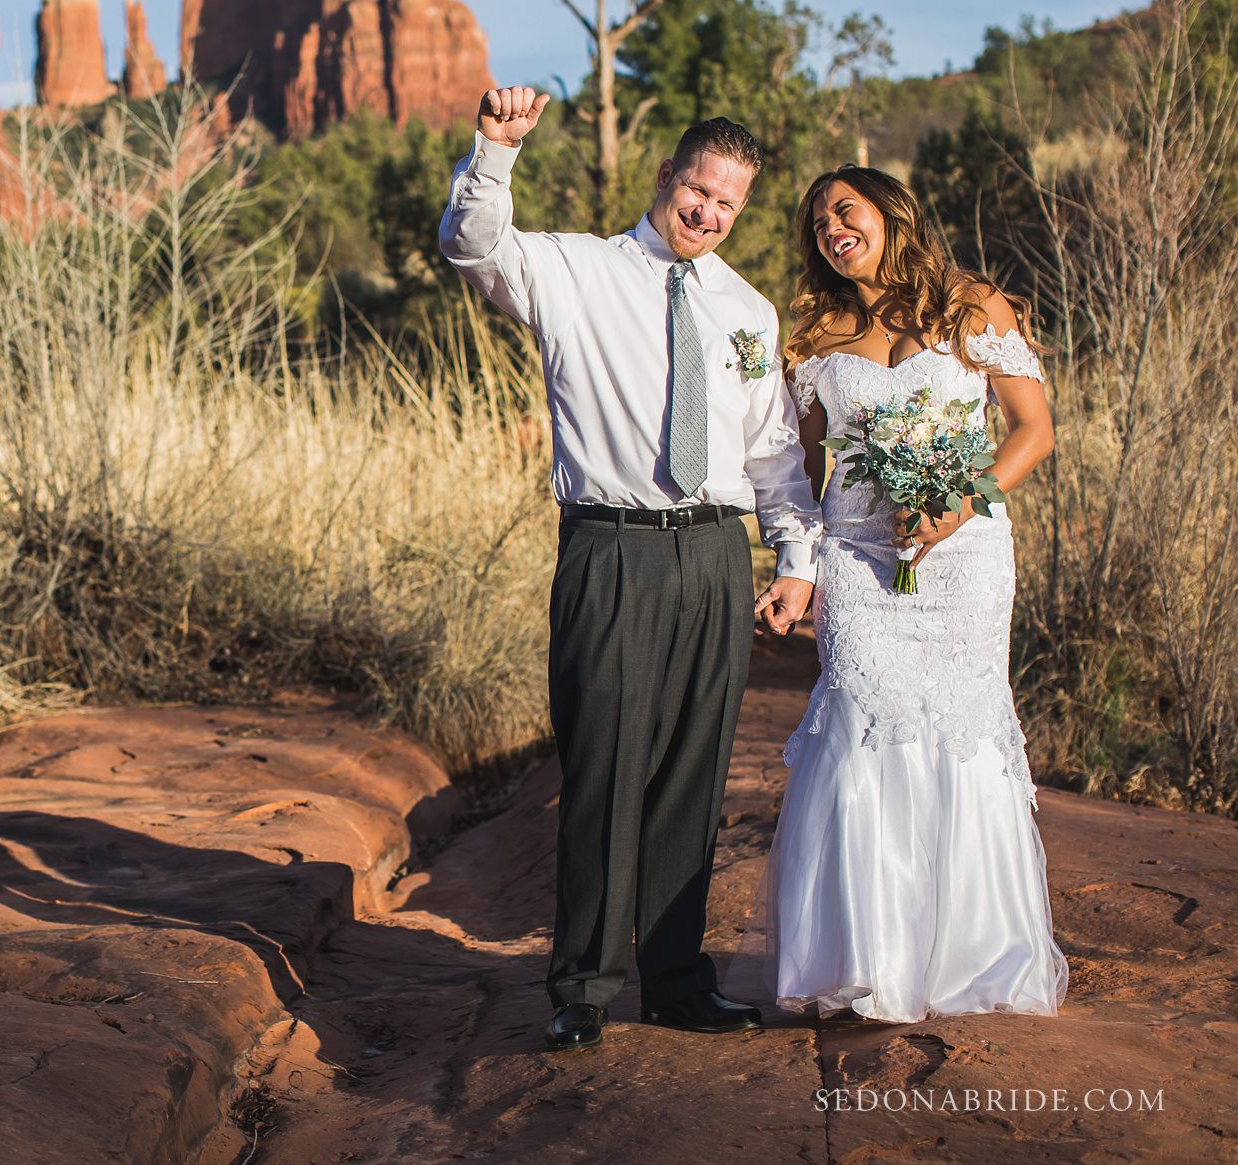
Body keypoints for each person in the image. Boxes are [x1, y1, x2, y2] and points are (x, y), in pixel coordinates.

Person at [439, 88, 823, 1051]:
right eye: (699, 191)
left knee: (694, 770)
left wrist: (795, 556)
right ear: (668, 177)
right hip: (610, 548)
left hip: (714, 554)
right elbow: (474, 245)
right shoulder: (574, 269)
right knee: (605, 764)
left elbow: (773, 452)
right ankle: (583, 987)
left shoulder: (747, 308)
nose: (708, 214)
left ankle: (680, 980)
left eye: (728, 205)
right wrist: (495, 153)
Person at [761, 166, 1068, 1022]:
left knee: (959, 725)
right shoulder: (817, 332)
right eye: (817, 221)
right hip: (859, 562)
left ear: (890, 212)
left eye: (843, 210)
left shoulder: (972, 308)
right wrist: (800, 564)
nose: (829, 228)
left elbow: (1033, 429)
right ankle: (869, 959)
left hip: (966, 561)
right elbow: (796, 465)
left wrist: (959, 500)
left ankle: (971, 955)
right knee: (862, 718)